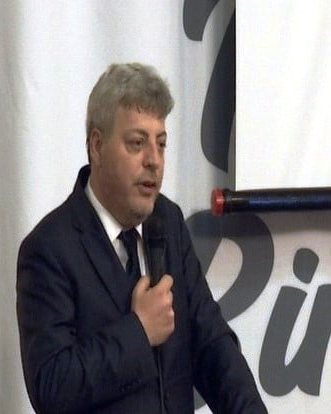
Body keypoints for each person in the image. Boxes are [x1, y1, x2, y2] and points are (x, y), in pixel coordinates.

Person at [16, 63, 267, 413]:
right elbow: (51, 386)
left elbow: (210, 343)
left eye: (161, 144)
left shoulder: (168, 221)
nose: (154, 160)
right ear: (97, 146)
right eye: (137, 143)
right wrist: (138, 332)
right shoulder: (50, 248)